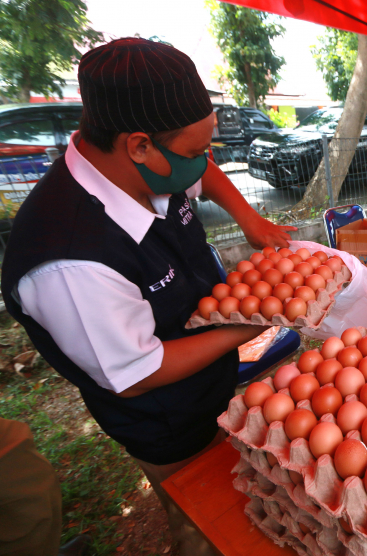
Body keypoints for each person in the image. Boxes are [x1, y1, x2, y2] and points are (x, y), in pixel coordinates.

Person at [0, 38, 295, 556]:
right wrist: (245, 329)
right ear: (138, 144)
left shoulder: (150, 165)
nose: (203, 162)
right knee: (205, 526)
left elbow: (200, 171)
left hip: (212, 383)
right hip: (166, 420)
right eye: (192, 152)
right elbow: (136, 375)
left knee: (240, 503)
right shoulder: (69, 259)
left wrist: (249, 219)